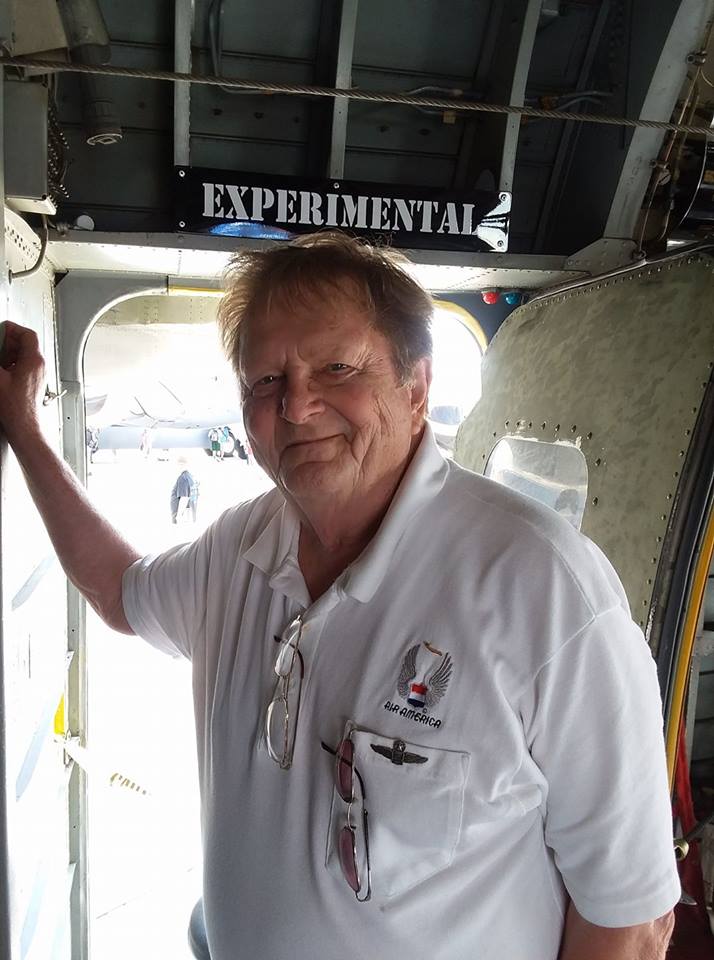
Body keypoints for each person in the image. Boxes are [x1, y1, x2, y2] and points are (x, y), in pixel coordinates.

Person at [0, 232, 679, 960]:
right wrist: (24, 428)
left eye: (337, 367)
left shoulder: (545, 588)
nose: (296, 405)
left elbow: (630, 923)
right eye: (266, 380)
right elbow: (118, 591)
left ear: (416, 387)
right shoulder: (236, 549)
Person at [170, 458, 199, 523]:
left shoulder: (183, 478)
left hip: (183, 518)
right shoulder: (191, 477)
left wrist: (179, 516)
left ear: (180, 464)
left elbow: (184, 498)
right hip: (189, 515)